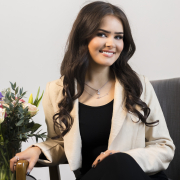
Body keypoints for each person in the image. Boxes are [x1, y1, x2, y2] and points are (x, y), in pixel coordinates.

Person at [10, 1, 175, 180]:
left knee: (118, 162)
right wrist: (38, 150)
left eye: (118, 37)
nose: (111, 43)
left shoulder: (138, 86)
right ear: (83, 37)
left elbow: (163, 146)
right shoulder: (57, 91)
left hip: (140, 175)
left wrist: (126, 158)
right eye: (102, 34)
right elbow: (62, 143)